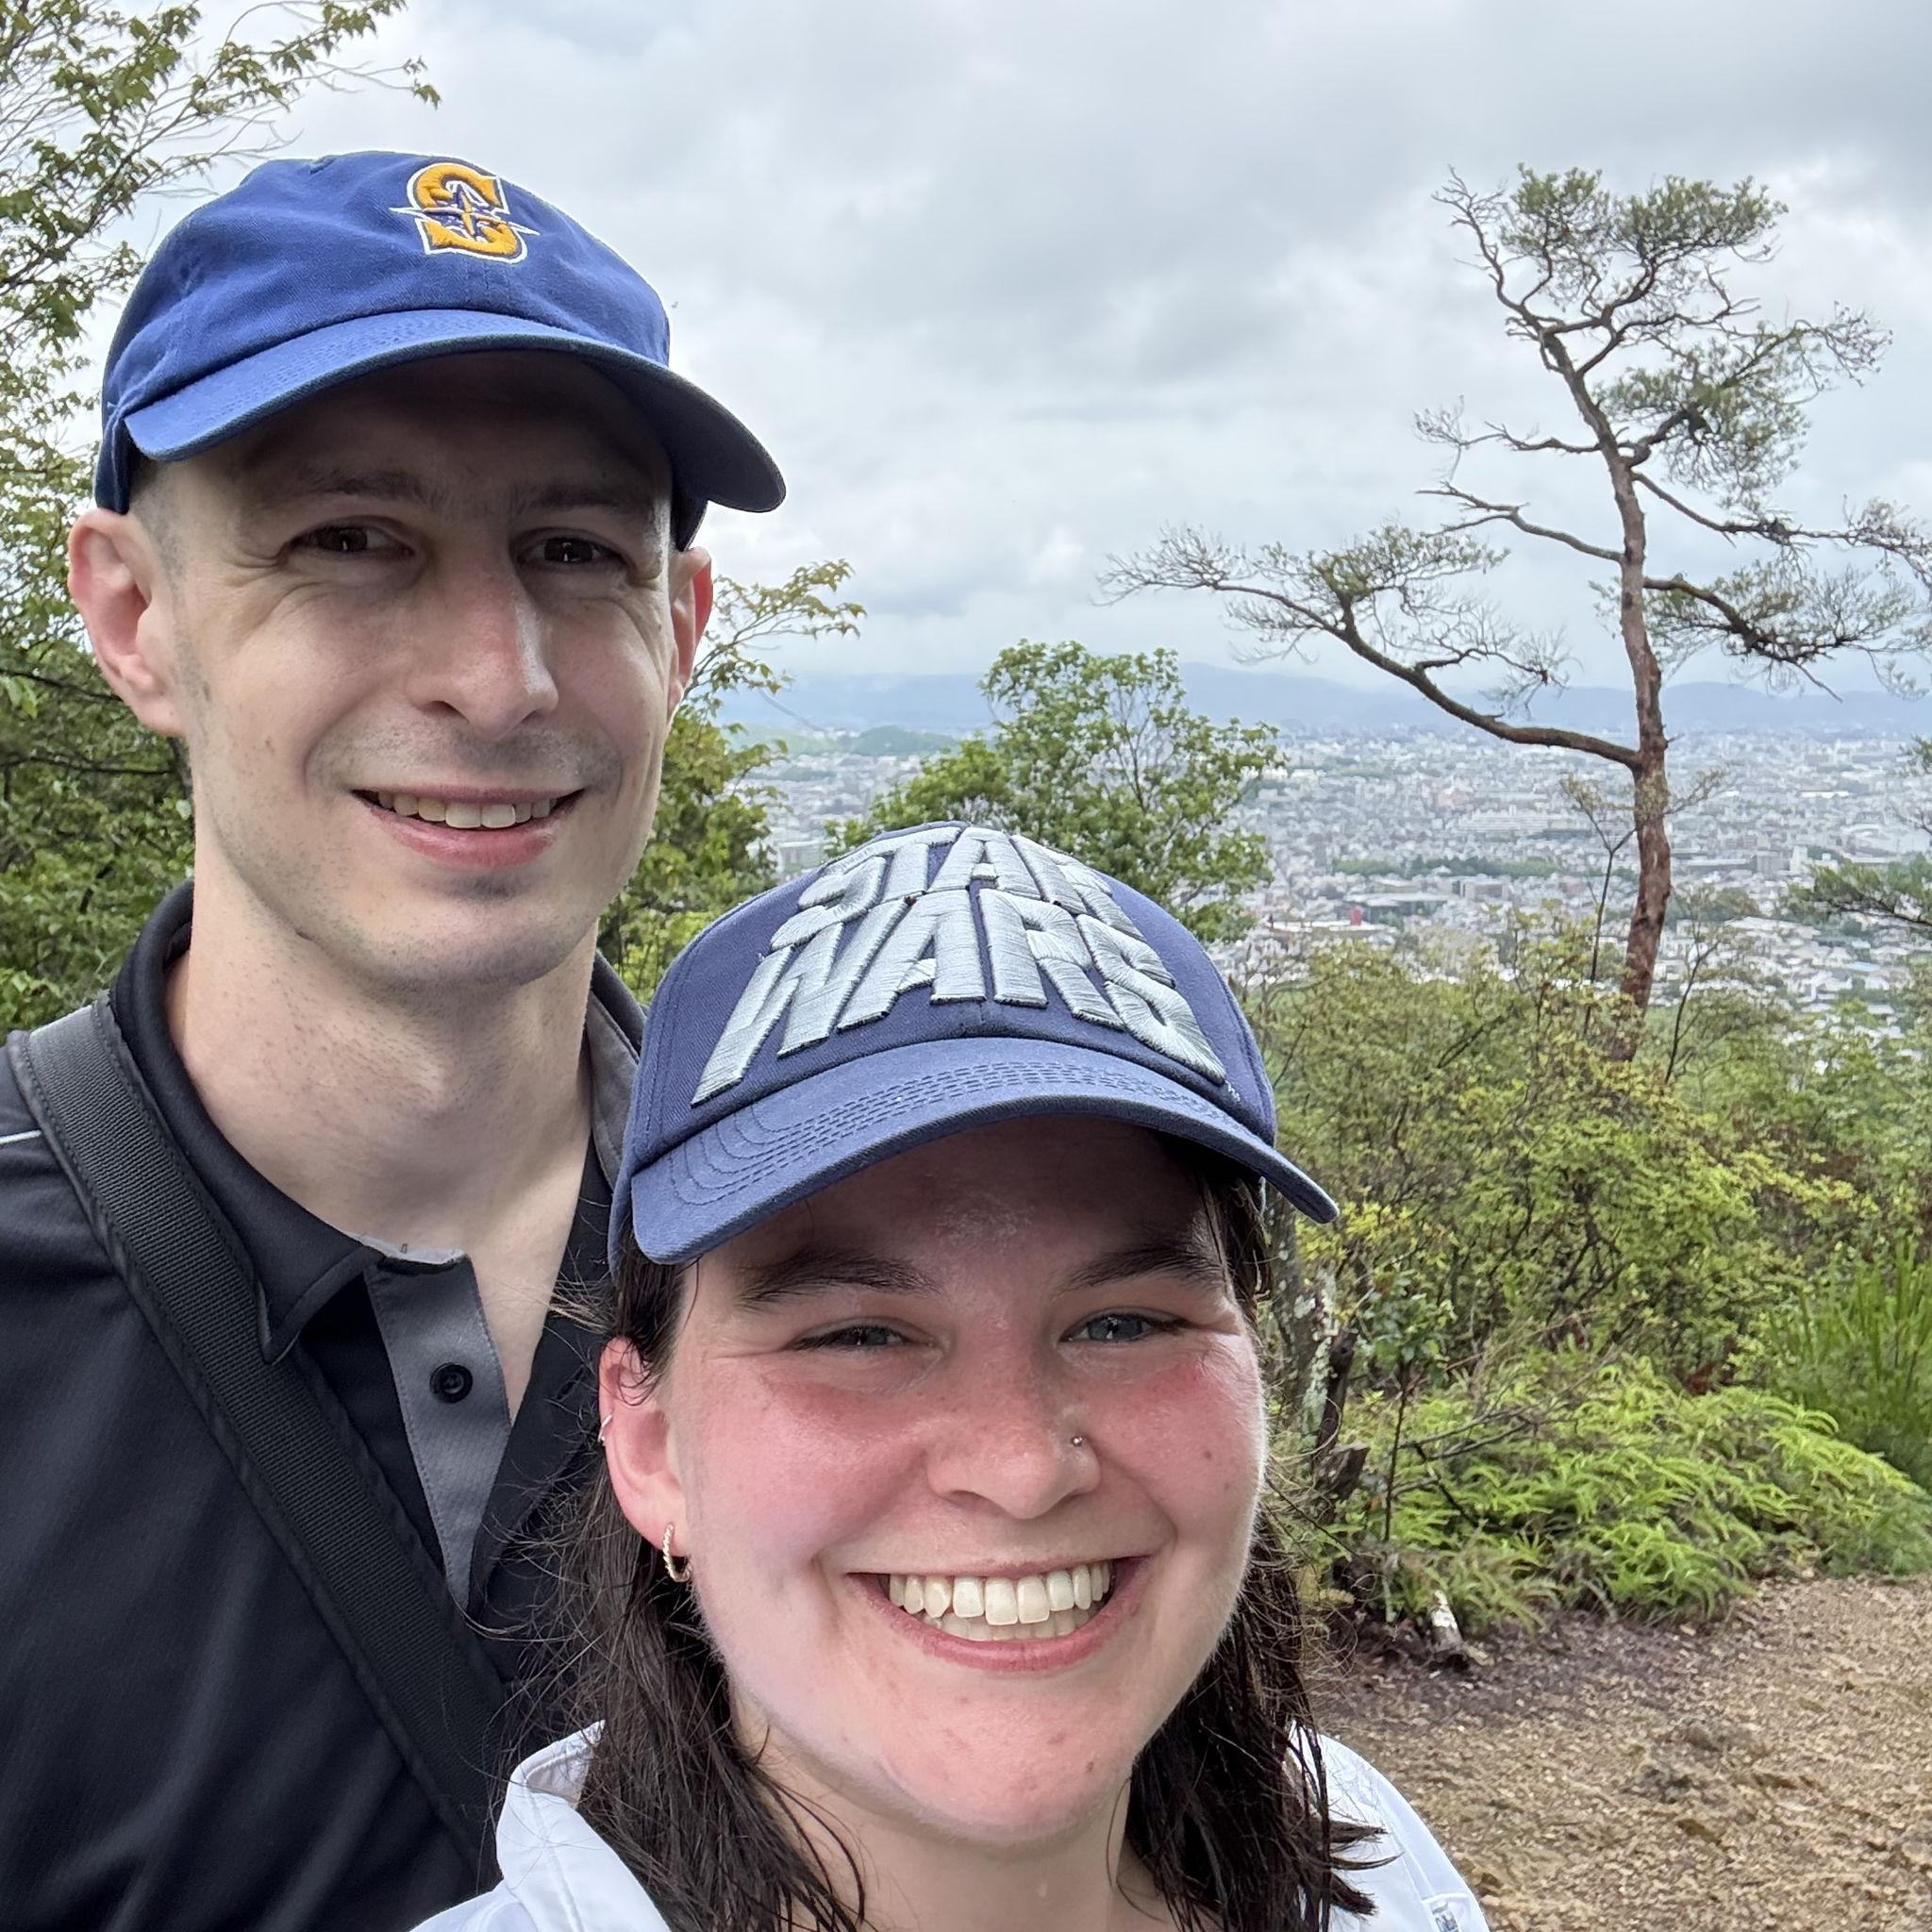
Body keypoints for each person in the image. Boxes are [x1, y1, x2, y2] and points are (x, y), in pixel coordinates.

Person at [0, 151, 782, 1931]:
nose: (496, 675)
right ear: (134, 615)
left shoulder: (845, 1269)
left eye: (576, 552)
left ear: (678, 630)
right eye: (352, 540)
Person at [421, 821, 1491, 1932]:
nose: (1022, 1467)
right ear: (648, 1444)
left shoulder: (1370, 1871)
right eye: (859, 1336)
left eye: (1120, 1322)